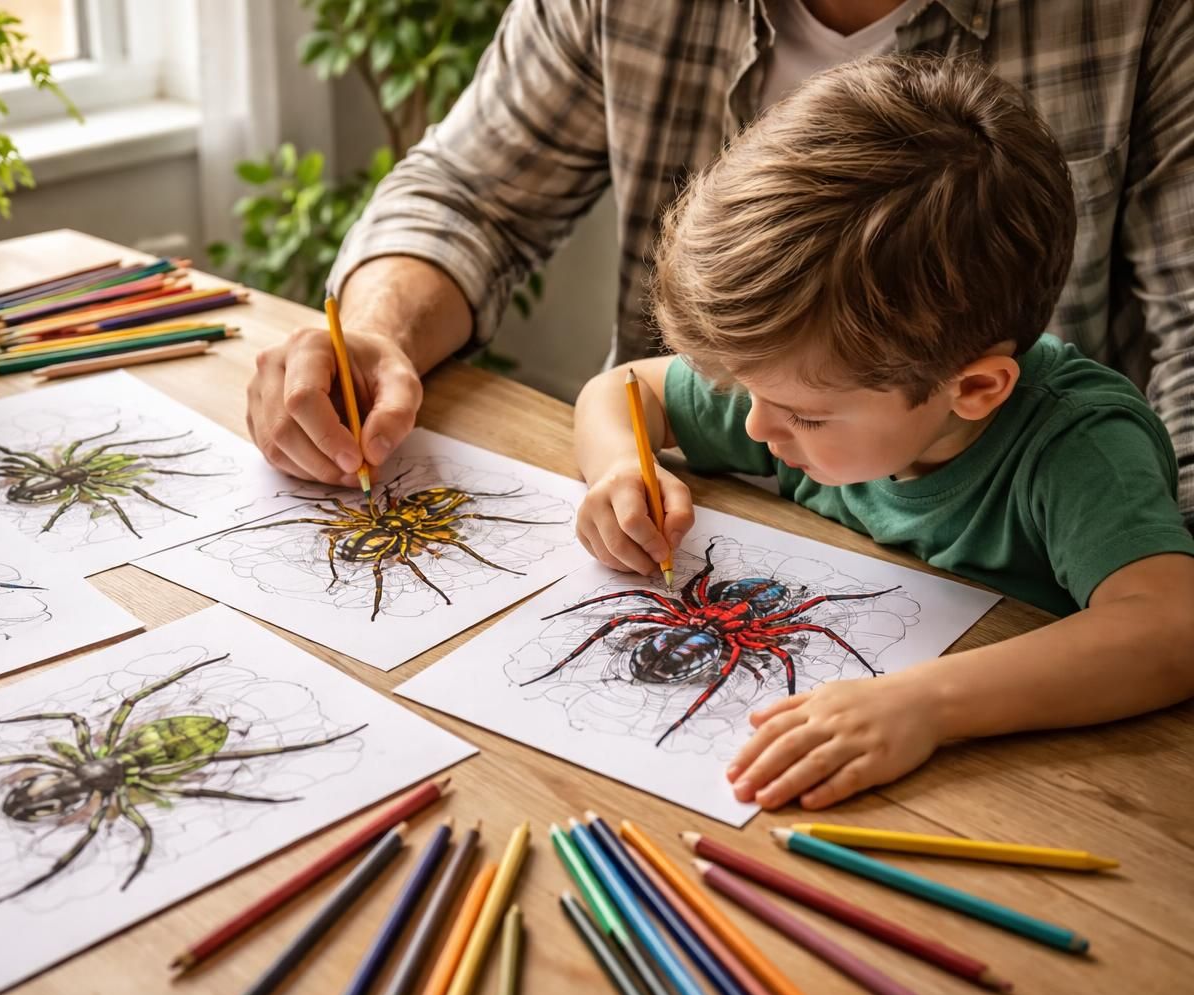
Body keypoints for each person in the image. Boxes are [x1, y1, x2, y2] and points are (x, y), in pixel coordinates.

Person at [244, 0, 1194, 526]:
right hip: (710, 531)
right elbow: (469, 192)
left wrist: (1141, 566)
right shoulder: (748, 413)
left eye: (803, 406)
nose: (765, 419)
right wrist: (375, 333)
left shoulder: (1143, 17)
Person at [574, 56, 1194, 811]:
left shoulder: (1080, 448)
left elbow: (1170, 627)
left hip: (1035, 791)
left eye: (803, 416)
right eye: (747, 393)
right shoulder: (810, 380)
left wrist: (927, 705)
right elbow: (624, 389)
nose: (757, 425)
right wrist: (618, 469)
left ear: (971, 390)